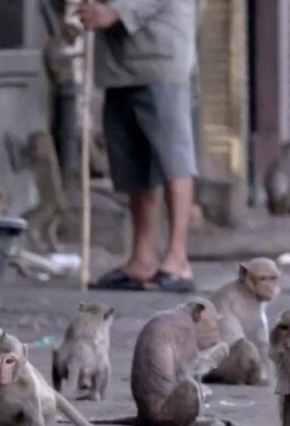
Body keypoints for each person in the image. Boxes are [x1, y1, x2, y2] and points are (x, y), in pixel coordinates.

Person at [80, 0, 199, 292]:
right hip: (118, 62)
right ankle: (142, 258)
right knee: (133, 162)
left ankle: (177, 258)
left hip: (161, 53)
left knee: (174, 159)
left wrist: (116, 12)